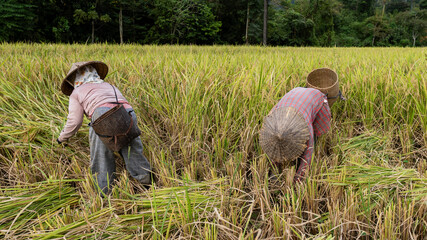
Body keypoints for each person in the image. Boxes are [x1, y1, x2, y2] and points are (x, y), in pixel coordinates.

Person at [57, 61, 151, 195]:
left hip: (103, 118)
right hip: (128, 114)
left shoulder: (77, 92)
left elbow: (75, 122)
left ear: (75, 80)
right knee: (132, 150)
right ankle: (147, 182)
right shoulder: (108, 85)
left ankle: (104, 192)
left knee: (101, 156)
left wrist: (62, 138)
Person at [259, 68, 345, 182]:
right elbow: (271, 146)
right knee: (276, 143)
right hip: (295, 95)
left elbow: (308, 154)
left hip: (310, 102)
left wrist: (298, 179)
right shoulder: (271, 118)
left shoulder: (306, 124)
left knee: (314, 136)